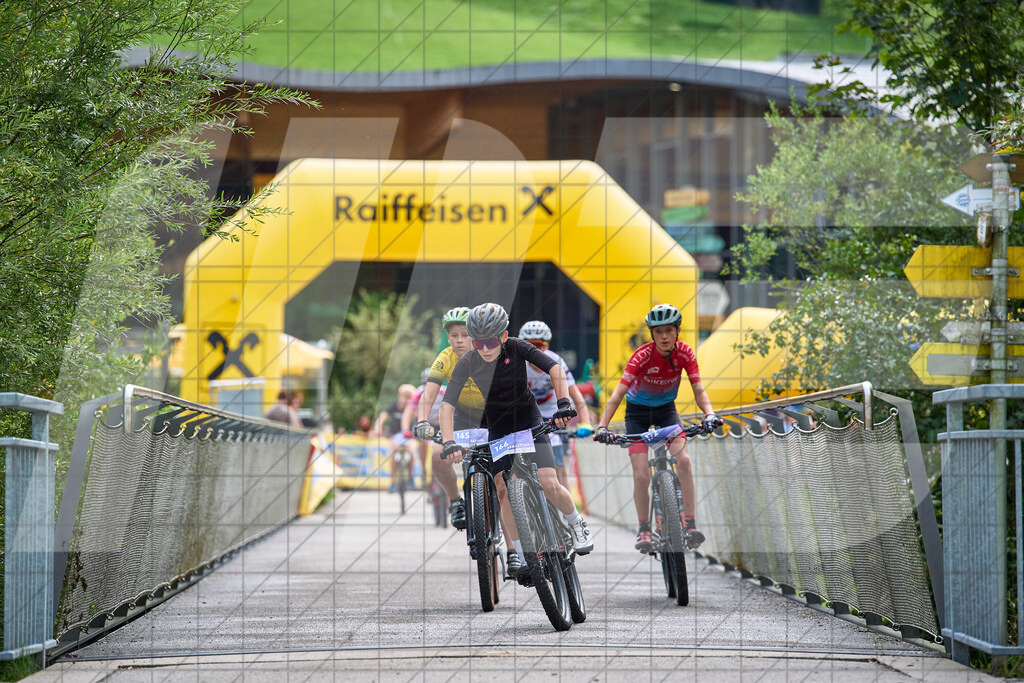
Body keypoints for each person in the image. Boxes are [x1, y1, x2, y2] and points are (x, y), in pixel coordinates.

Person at [439, 303, 594, 580]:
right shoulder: (468, 362)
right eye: (479, 343)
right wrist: (450, 442)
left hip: (527, 418)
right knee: (503, 487)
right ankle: (522, 555)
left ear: (504, 336)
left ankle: (576, 522)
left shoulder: (519, 348)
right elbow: (447, 405)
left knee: (548, 482)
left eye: (491, 342)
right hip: (497, 427)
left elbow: (555, 370)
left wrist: (562, 405)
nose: (485, 349)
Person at [594, 303, 718, 551]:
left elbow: (698, 389)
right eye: (658, 331)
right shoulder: (641, 356)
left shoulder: (685, 353)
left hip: (667, 412)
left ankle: (690, 524)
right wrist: (602, 426)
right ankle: (644, 531)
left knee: (683, 461)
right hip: (637, 414)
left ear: (677, 331)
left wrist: (710, 414)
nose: (664, 336)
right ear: (652, 333)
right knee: (641, 476)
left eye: (669, 331)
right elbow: (618, 393)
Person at [411, 307, 486, 529]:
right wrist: (422, 420)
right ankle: (455, 502)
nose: (459, 340)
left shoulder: (487, 354)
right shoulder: (445, 357)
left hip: (491, 415)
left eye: (465, 335)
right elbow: (429, 394)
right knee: (437, 456)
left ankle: (513, 549)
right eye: (454, 336)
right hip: (461, 416)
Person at [519, 320, 594, 489]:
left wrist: (585, 423)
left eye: (539, 345)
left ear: (547, 345)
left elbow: (576, 394)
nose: (535, 351)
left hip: (553, 413)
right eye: (529, 345)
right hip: (528, 413)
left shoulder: (556, 361)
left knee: (560, 467)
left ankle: (567, 514)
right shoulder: (518, 363)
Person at [401, 368, 445, 490]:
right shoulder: (419, 393)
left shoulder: (444, 392)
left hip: (440, 423)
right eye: (427, 384)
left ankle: (441, 474)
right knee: (423, 439)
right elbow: (407, 413)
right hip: (424, 422)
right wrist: (405, 429)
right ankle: (424, 469)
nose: (430, 387)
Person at [373, 384, 416, 491]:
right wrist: (377, 428)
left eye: (408, 397)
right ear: (399, 395)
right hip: (395, 434)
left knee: (411, 452)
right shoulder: (394, 406)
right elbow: (383, 417)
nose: (405, 399)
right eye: (403, 396)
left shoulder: (412, 408)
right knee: (393, 452)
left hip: (408, 435)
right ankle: (393, 482)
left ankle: (411, 478)